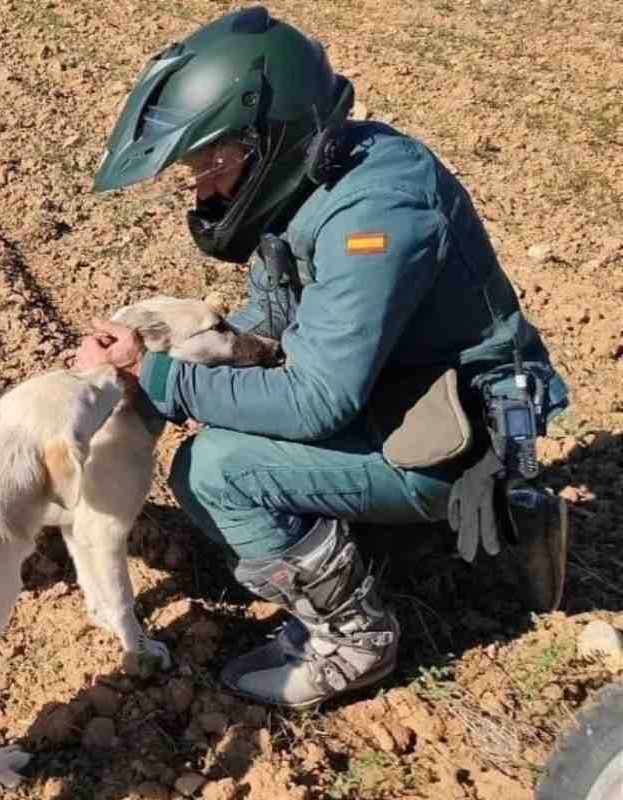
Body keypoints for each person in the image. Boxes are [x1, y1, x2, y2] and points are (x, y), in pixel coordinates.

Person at [73, 5, 570, 708]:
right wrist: (162, 352)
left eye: (209, 162)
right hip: (400, 394)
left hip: (460, 431)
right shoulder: (313, 181)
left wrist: (158, 379)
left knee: (216, 469)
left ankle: (355, 639)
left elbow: (315, 400)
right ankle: (496, 534)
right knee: (245, 425)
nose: (203, 188)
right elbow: (269, 321)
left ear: (269, 137)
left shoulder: (375, 215)